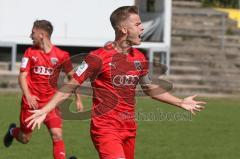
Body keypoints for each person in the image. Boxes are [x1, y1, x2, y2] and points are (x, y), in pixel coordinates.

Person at [25, 6, 206, 159]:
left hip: (129, 128)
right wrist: (45, 109)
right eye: (137, 24)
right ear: (123, 29)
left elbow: (150, 88)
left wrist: (180, 102)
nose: (142, 28)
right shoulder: (97, 57)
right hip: (105, 129)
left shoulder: (139, 58)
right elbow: (70, 85)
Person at [3, 20, 83, 159]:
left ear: (42, 35)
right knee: (24, 138)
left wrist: (78, 99)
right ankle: (12, 131)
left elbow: (72, 78)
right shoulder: (29, 52)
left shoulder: (62, 55)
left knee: (57, 135)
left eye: (33, 33)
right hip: (31, 104)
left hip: (51, 103)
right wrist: (28, 95)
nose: (30, 35)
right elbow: (22, 76)